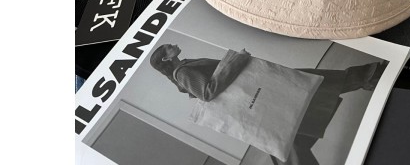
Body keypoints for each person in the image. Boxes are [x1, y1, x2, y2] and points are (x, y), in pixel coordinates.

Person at [151, 43, 386, 164]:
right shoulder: (182, 73)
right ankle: (370, 75)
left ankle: (368, 76)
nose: (173, 45)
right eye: (168, 47)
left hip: (257, 92)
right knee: (312, 84)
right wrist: (236, 60)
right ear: (166, 57)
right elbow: (207, 91)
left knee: (290, 130)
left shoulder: (183, 67)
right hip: (257, 91)